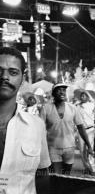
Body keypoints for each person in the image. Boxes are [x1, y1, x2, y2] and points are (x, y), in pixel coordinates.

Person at [0, 47, 51, 194]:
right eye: (0, 70)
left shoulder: (36, 126)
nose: (4, 77)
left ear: (22, 78)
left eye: (13, 72)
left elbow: (42, 175)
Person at [40, 83, 94, 175]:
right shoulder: (46, 108)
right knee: (56, 176)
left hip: (69, 148)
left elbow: (81, 128)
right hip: (53, 148)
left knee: (66, 175)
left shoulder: (73, 108)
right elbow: (39, 129)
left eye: (64, 90)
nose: (62, 92)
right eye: (59, 90)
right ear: (53, 93)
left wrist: (89, 146)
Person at [76, 90, 95, 175]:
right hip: (80, 130)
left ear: (88, 97)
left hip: (90, 130)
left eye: (84, 96)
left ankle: (92, 168)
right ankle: (86, 167)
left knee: (90, 149)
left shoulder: (92, 105)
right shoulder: (77, 106)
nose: (82, 97)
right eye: (81, 96)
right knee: (82, 150)